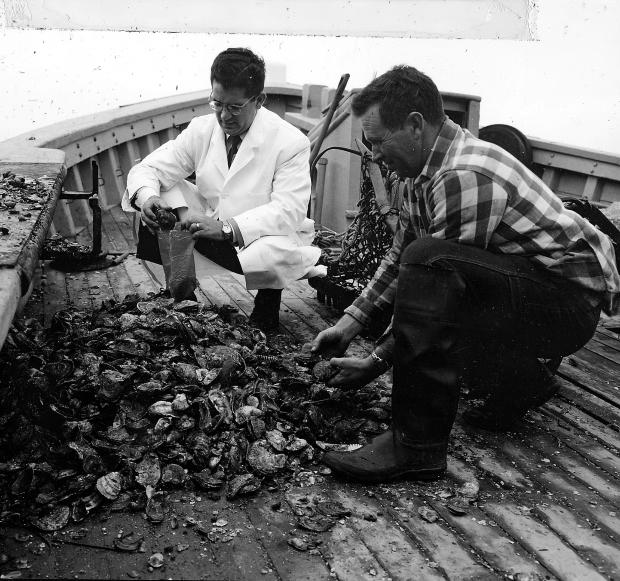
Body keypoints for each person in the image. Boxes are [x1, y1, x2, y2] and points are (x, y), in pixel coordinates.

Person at [311, 65, 620, 483]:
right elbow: (400, 251)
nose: (376, 154)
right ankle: (522, 382)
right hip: (527, 293)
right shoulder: (414, 173)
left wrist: (375, 361)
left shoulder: (463, 173)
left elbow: (433, 281)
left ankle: (415, 446)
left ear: (415, 125)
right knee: (423, 259)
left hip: (567, 308)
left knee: (433, 266)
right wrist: (351, 322)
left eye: (379, 142)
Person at [122, 47, 325, 330]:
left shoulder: (290, 142)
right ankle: (184, 297)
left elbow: (289, 211)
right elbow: (147, 169)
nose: (224, 116)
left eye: (235, 107)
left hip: (263, 237)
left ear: (260, 100)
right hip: (211, 224)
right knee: (160, 194)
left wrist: (227, 228)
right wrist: (149, 198)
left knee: (275, 247)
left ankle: (268, 302)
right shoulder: (201, 129)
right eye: (217, 104)